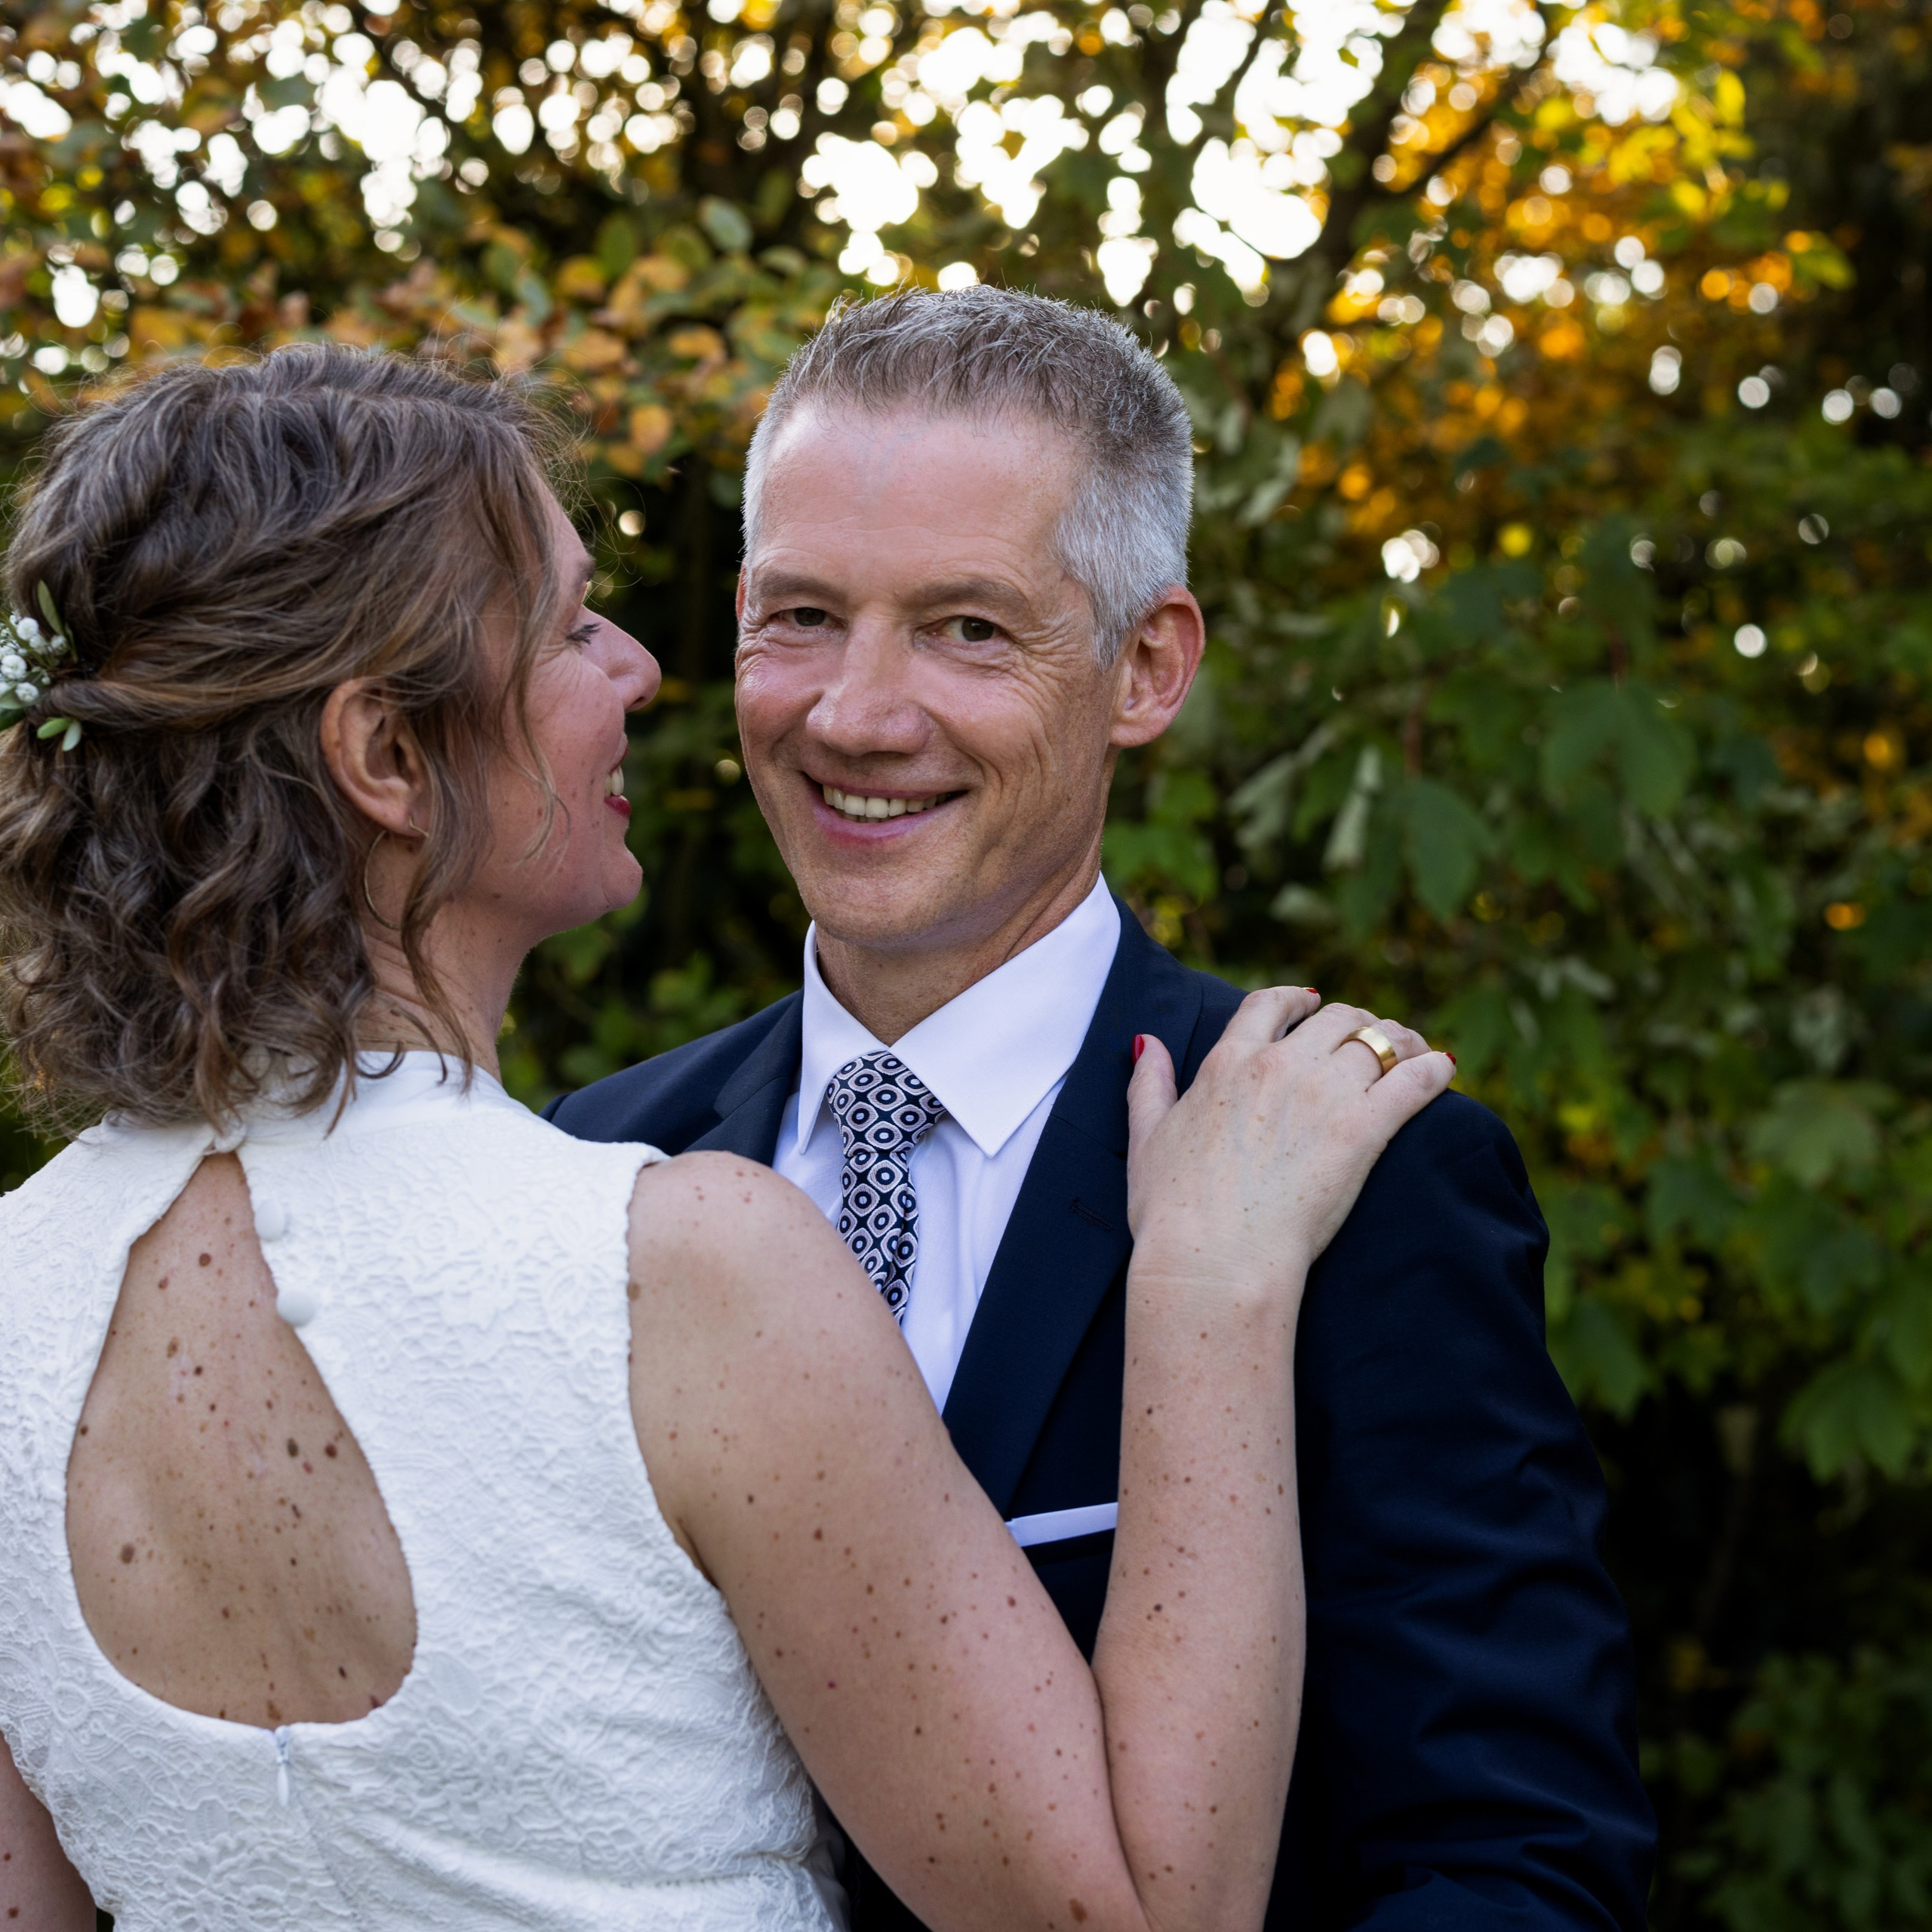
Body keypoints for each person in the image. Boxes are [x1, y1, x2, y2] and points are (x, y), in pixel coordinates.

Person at [0, 343, 1450, 1931]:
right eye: (571, 627)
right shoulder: (673, 1256)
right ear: (389, 758)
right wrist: (1205, 1293)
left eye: (966, 626)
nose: (639, 671)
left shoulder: (17, 1297)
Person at [550, 287, 1657, 1932]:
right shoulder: (587, 1162)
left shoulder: (1356, 1169)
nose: (856, 713)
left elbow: (1514, 1864)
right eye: (802, 616)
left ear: (1145, 667)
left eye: (967, 629)